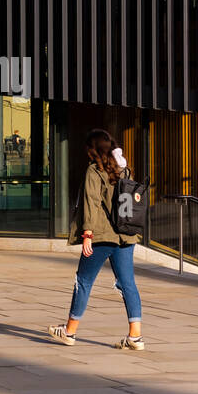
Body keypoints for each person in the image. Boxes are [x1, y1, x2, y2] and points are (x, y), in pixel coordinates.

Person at [49, 128, 145, 350]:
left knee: (83, 281)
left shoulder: (94, 170)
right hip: (125, 236)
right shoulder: (125, 169)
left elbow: (91, 203)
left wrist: (88, 234)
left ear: (93, 150)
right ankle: (135, 336)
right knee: (127, 283)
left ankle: (69, 331)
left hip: (101, 236)